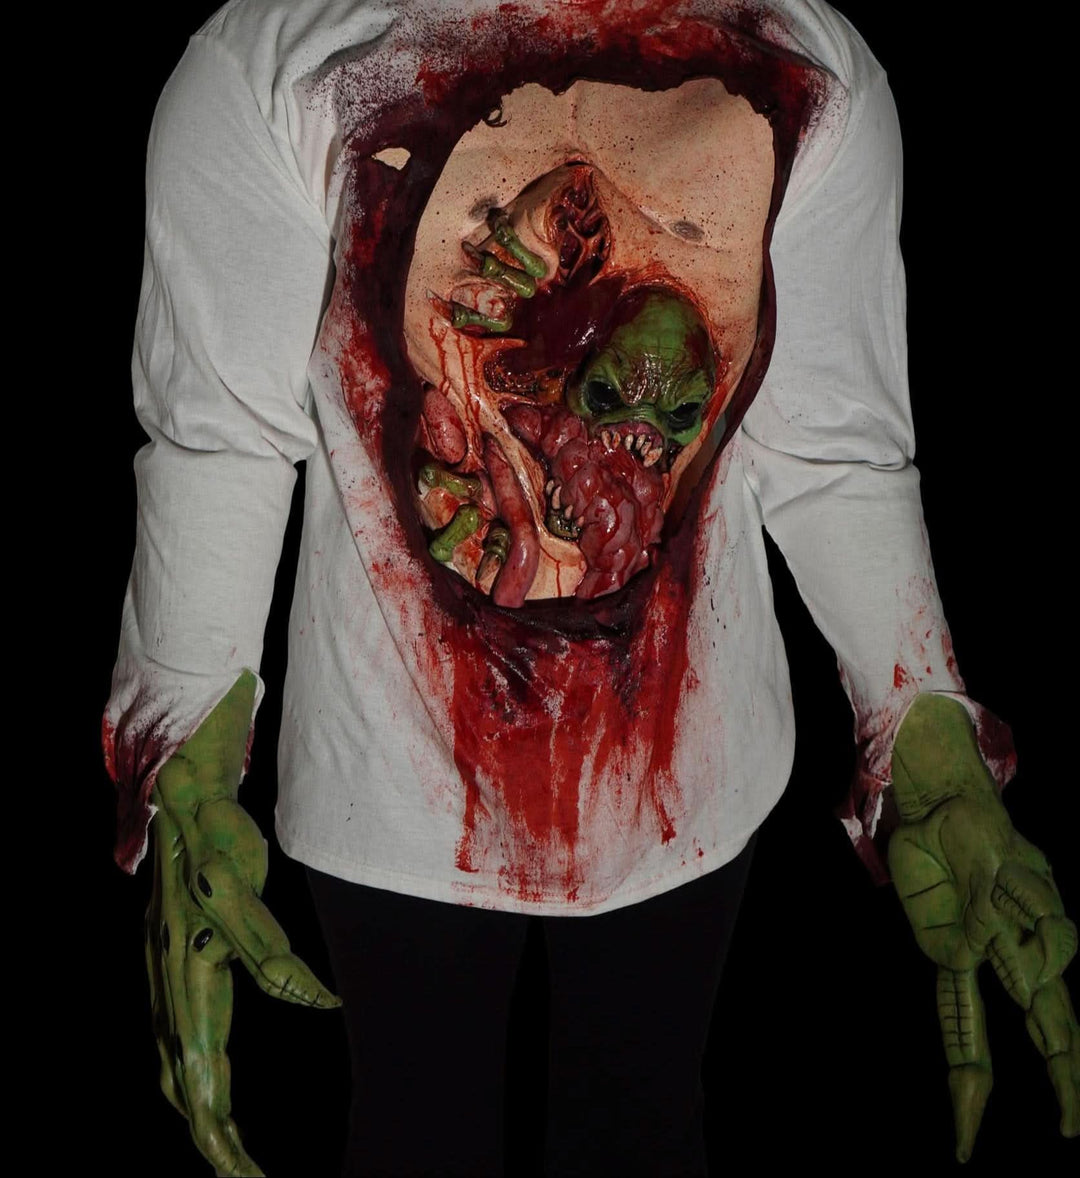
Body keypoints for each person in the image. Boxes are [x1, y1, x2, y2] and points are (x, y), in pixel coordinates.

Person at [104, 1, 1079, 1174]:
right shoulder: (279, 45)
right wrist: (184, 755)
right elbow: (220, 433)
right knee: (418, 1133)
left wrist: (927, 736)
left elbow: (833, 447)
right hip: (389, 783)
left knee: (646, 1123)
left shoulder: (809, 63)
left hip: (693, 784)